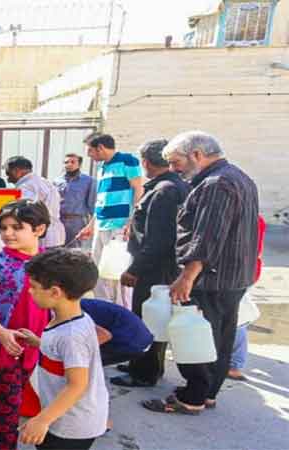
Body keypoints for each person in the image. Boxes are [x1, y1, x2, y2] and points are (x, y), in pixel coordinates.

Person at [143, 131, 259, 415]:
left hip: (211, 278)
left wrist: (187, 276)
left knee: (196, 337)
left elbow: (207, 238)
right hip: (232, 277)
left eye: (175, 161)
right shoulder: (238, 176)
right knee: (220, 336)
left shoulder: (216, 184)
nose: (173, 168)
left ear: (196, 154)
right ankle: (206, 393)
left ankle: (192, 398)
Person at [0, 199, 51, 450]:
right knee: (10, 404)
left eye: (16, 227)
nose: (8, 233)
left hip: (33, 345)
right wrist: (1, 333)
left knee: (3, 396)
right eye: (3, 228)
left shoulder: (51, 262)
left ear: (39, 229)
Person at [112, 139, 189, 388]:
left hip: (155, 268)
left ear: (145, 162)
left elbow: (158, 240)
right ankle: (141, 363)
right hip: (158, 265)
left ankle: (145, 372)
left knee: (150, 319)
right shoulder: (169, 186)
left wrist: (135, 269)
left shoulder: (165, 190)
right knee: (151, 317)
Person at [18, 249, 109, 450]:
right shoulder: (70, 318)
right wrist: (38, 342)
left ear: (55, 292)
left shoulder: (71, 335)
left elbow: (76, 385)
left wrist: (42, 420)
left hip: (71, 426)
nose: (29, 291)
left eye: (33, 287)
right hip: (64, 416)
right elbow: (62, 356)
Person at [77, 133, 144, 310]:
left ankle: (123, 309)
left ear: (100, 148)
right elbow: (101, 199)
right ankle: (104, 306)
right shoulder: (102, 168)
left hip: (120, 223)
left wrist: (132, 221)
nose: (89, 155)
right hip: (101, 223)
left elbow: (138, 189)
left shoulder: (127, 161)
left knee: (117, 270)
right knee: (98, 270)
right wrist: (91, 225)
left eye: (90, 151)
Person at [229, 215, 267, 381]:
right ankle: (234, 362)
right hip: (246, 272)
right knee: (238, 316)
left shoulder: (243, 218)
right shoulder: (256, 218)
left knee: (238, 318)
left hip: (236, 274)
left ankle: (235, 364)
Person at [5, 157, 65, 248]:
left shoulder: (26, 186)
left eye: (8, 174)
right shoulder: (44, 182)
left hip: (42, 238)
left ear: (17, 171)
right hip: (55, 236)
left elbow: (26, 214)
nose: (8, 179)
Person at [80, 299, 153, 367]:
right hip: (139, 336)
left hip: (132, 342)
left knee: (82, 361)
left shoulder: (78, 313)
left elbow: (105, 335)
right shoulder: (78, 304)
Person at [53, 154, 96, 248]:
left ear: (79, 164)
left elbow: (93, 205)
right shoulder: (57, 181)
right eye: (66, 162)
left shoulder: (88, 181)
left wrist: (91, 225)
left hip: (76, 222)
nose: (69, 164)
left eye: (72, 162)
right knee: (56, 250)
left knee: (74, 251)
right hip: (59, 220)